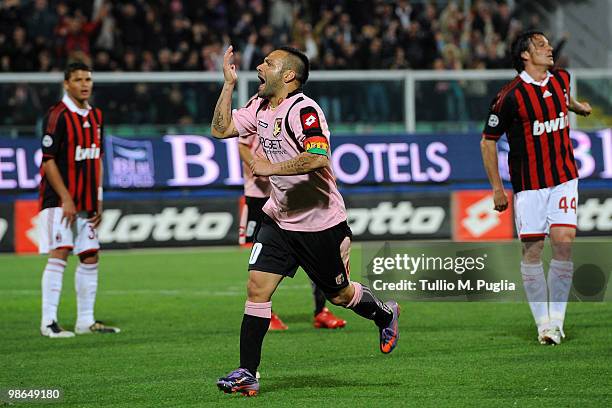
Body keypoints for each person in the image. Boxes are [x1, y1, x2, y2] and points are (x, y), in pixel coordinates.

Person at [211, 46, 400, 396]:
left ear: (288, 76)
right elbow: (221, 130)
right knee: (257, 287)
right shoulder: (258, 105)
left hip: (319, 224)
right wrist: (227, 85)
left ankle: (384, 315)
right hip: (279, 218)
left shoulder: (304, 111)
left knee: (340, 296)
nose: (259, 66)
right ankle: (247, 372)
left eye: (268, 63)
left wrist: (271, 167)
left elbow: (317, 156)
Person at [480, 31, 591, 346]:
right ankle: (542, 322)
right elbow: (487, 142)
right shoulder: (509, 96)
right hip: (529, 185)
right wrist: (497, 189)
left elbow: (564, 98)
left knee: (564, 241)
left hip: (565, 177)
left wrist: (577, 107)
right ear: (525, 55)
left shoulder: (562, 79)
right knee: (532, 250)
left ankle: (555, 321)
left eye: (548, 43)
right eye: (541, 45)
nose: (549, 48)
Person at [38, 62, 120, 338]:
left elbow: (97, 158)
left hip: (87, 203)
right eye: (78, 79)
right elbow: (48, 162)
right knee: (60, 251)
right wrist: (66, 198)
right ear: (66, 83)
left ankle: (85, 320)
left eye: (88, 79)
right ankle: (48, 321)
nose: (85, 84)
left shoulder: (96, 116)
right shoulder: (57, 115)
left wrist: (97, 198)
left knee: (89, 256)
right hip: (59, 201)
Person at [238, 132, 347, 330]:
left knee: (314, 249)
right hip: (261, 192)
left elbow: (314, 152)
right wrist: (262, 170)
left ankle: (321, 311)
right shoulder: (256, 106)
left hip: (294, 192)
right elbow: (242, 145)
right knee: (261, 252)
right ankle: (265, 311)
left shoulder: (299, 111)